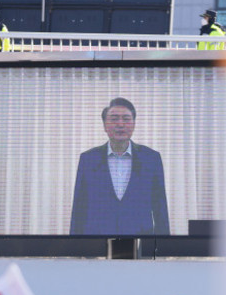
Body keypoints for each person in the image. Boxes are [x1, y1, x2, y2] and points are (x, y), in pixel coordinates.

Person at [70, 97, 170, 235]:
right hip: (97, 243)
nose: (120, 124)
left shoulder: (151, 159)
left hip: (139, 243)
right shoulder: (88, 159)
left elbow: (160, 209)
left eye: (126, 119)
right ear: (105, 125)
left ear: (134, 124)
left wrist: (162, 249)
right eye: (114, 118)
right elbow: (79, 210)